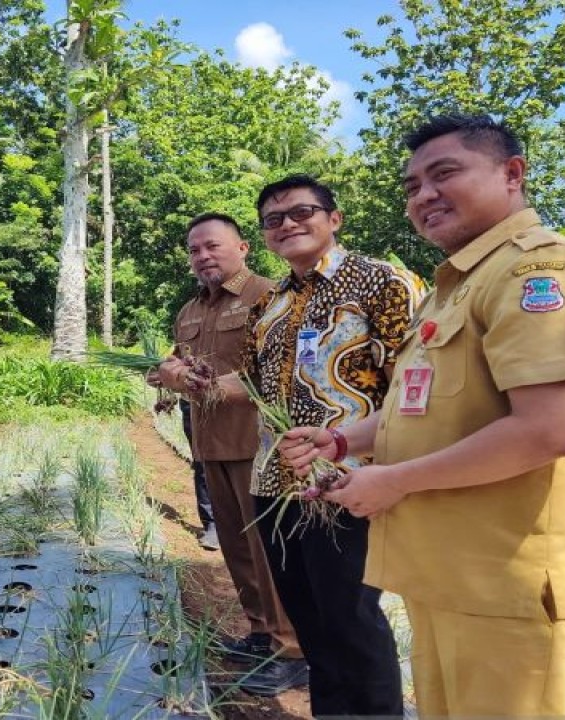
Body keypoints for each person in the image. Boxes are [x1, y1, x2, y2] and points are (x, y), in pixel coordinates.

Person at [280, 114, 565, 716]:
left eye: (444, 174)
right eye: (413, 185)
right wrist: (342, 441)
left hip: (512, 585)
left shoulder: (541, 271)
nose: (424, 195)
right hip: (448, 574)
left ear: (512, 174)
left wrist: (392, 481)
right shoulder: (455, 287)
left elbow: (551, 428)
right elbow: (419, 406)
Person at [187, 176, 422, 716]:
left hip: (347, 482)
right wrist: (195, 382)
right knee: (311, 619)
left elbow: (414, 390)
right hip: (274, 482)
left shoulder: (381, 283)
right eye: (274, 219)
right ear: (265, 237)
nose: (287, 224)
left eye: (302, 212)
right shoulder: (270, 304)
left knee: (352, 618)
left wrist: (392, 474)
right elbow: (249, 384)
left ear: (333, 219)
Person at [155, 213, 305, 696]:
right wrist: (168, 371)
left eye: (212, 246)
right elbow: (178, 362)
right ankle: (262, 631)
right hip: (208, 442)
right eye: (195, 250)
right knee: (237, 551)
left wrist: (209, 383)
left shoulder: (271, 295)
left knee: (268, 549)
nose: (203, 256)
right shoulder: (189, 310)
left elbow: (282, 371)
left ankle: (293, 649)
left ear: (242, 247)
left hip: (259, 444)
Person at [177, 397, 216, 550]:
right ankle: (212, 524)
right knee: (203, 464)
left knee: (243, 466)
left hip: (238, 405)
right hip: (196, 402)